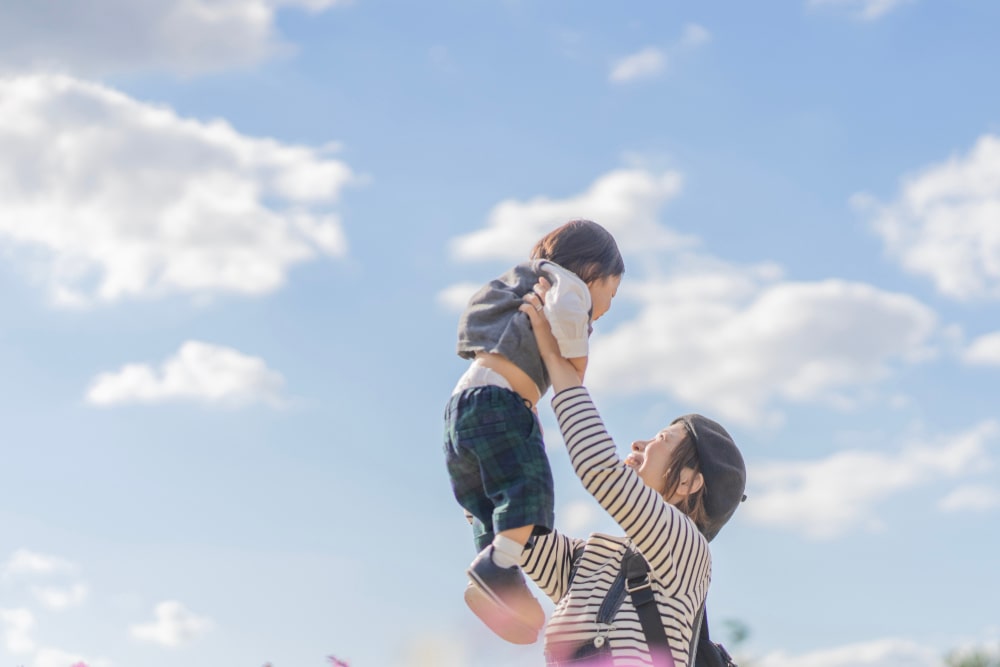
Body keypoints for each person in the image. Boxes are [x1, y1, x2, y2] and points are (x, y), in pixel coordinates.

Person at [515, 283, 747, 666]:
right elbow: (511, 524)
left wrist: (560, 364)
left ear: (690, 482)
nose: (638, 444)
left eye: (660, 439)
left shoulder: (686, 550)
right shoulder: (584, 562)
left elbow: (601, 471)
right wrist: (514, 421)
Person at [444, 220, 625, 645]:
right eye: (611, 293)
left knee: (487, 503)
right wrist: (577, 362)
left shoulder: (518, 283)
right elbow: (564, 319)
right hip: (499, 402)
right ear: (592, 270)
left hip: (462, 406)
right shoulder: (566, 286)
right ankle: (498, 567)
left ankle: (496, 576)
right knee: (529, 489)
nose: (608, 306)